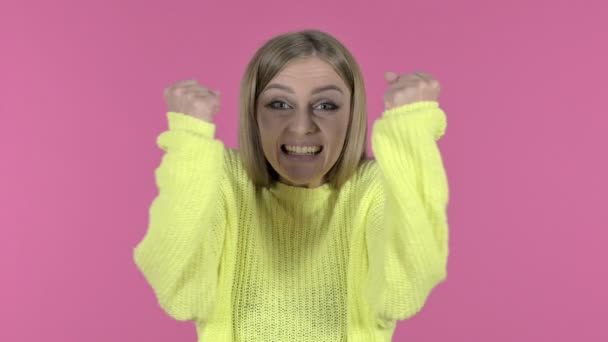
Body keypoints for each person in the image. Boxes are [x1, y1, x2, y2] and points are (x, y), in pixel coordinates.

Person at [133, 29, 449, 342]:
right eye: (279, 105)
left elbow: (403, 293)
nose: (301, 127)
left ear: (352, 115)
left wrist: (411, 130)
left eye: (326, 105)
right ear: (253, 113)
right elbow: (179, 292)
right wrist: (189, 141)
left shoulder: (374, 190)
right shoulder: (221, 180)